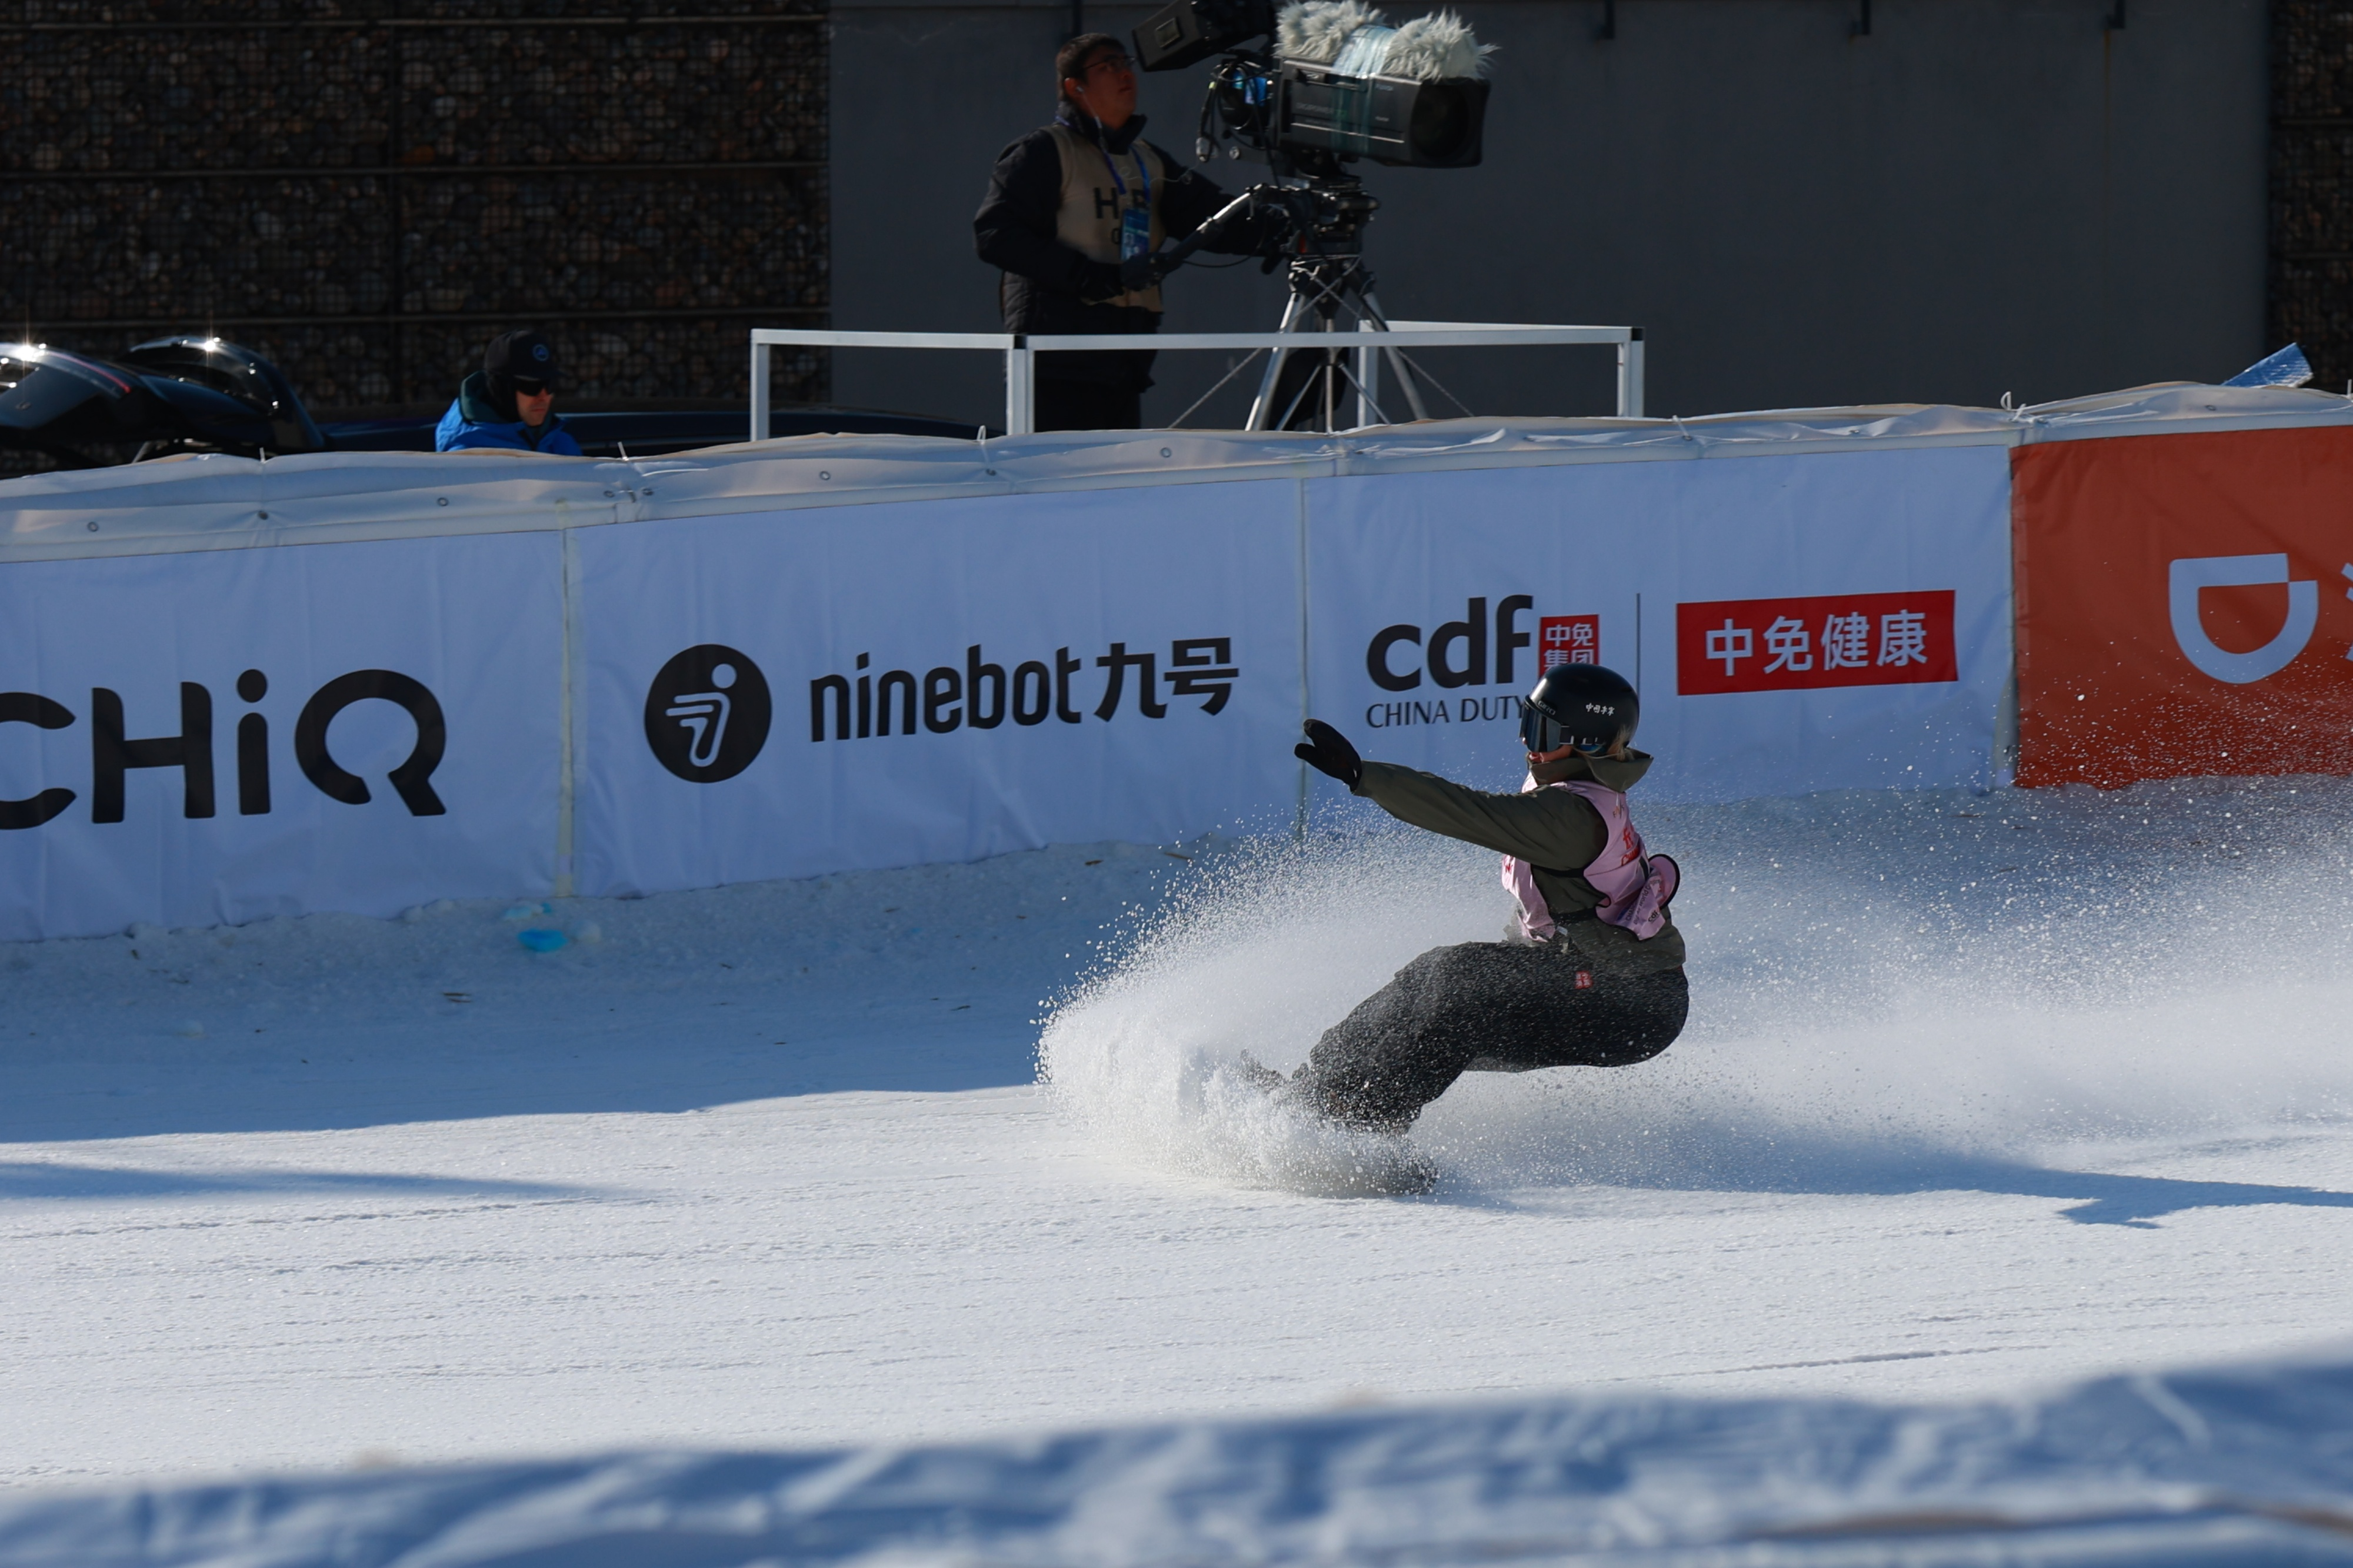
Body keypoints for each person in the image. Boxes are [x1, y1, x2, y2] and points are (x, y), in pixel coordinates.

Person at [1274, 662, 1689, 1146]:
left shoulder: (1572, 817)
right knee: (1441, 970)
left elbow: (1468, 812)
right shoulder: (1570, 787)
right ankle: (1314, 1089)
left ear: (1589, 743)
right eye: (1527, 722)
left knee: (1465, 998)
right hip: (1587, 975)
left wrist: (1367, 777)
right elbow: (1556, 918)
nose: (1527, 740)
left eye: (1544, 729)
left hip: (1633, 1006)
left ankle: (1364, 1128)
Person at [974, 34, 1262, 432]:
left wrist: (1281, 226)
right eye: (1107, 66)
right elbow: (996, 233)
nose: (1124, 73)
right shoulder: (1043, 151)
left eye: (1125, 63)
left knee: (1114, 481)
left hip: (1125, 359)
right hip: (1056, 358)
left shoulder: (1149, 159)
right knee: (1054, 483)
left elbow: (1213, 218)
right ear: (1075, 87)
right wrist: (1095, 278)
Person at [434, 329, 583, 455]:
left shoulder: (562, 445)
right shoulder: (468, 457)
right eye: (531, 386)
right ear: (502, 389)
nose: (544, 396)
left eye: (550, 385)